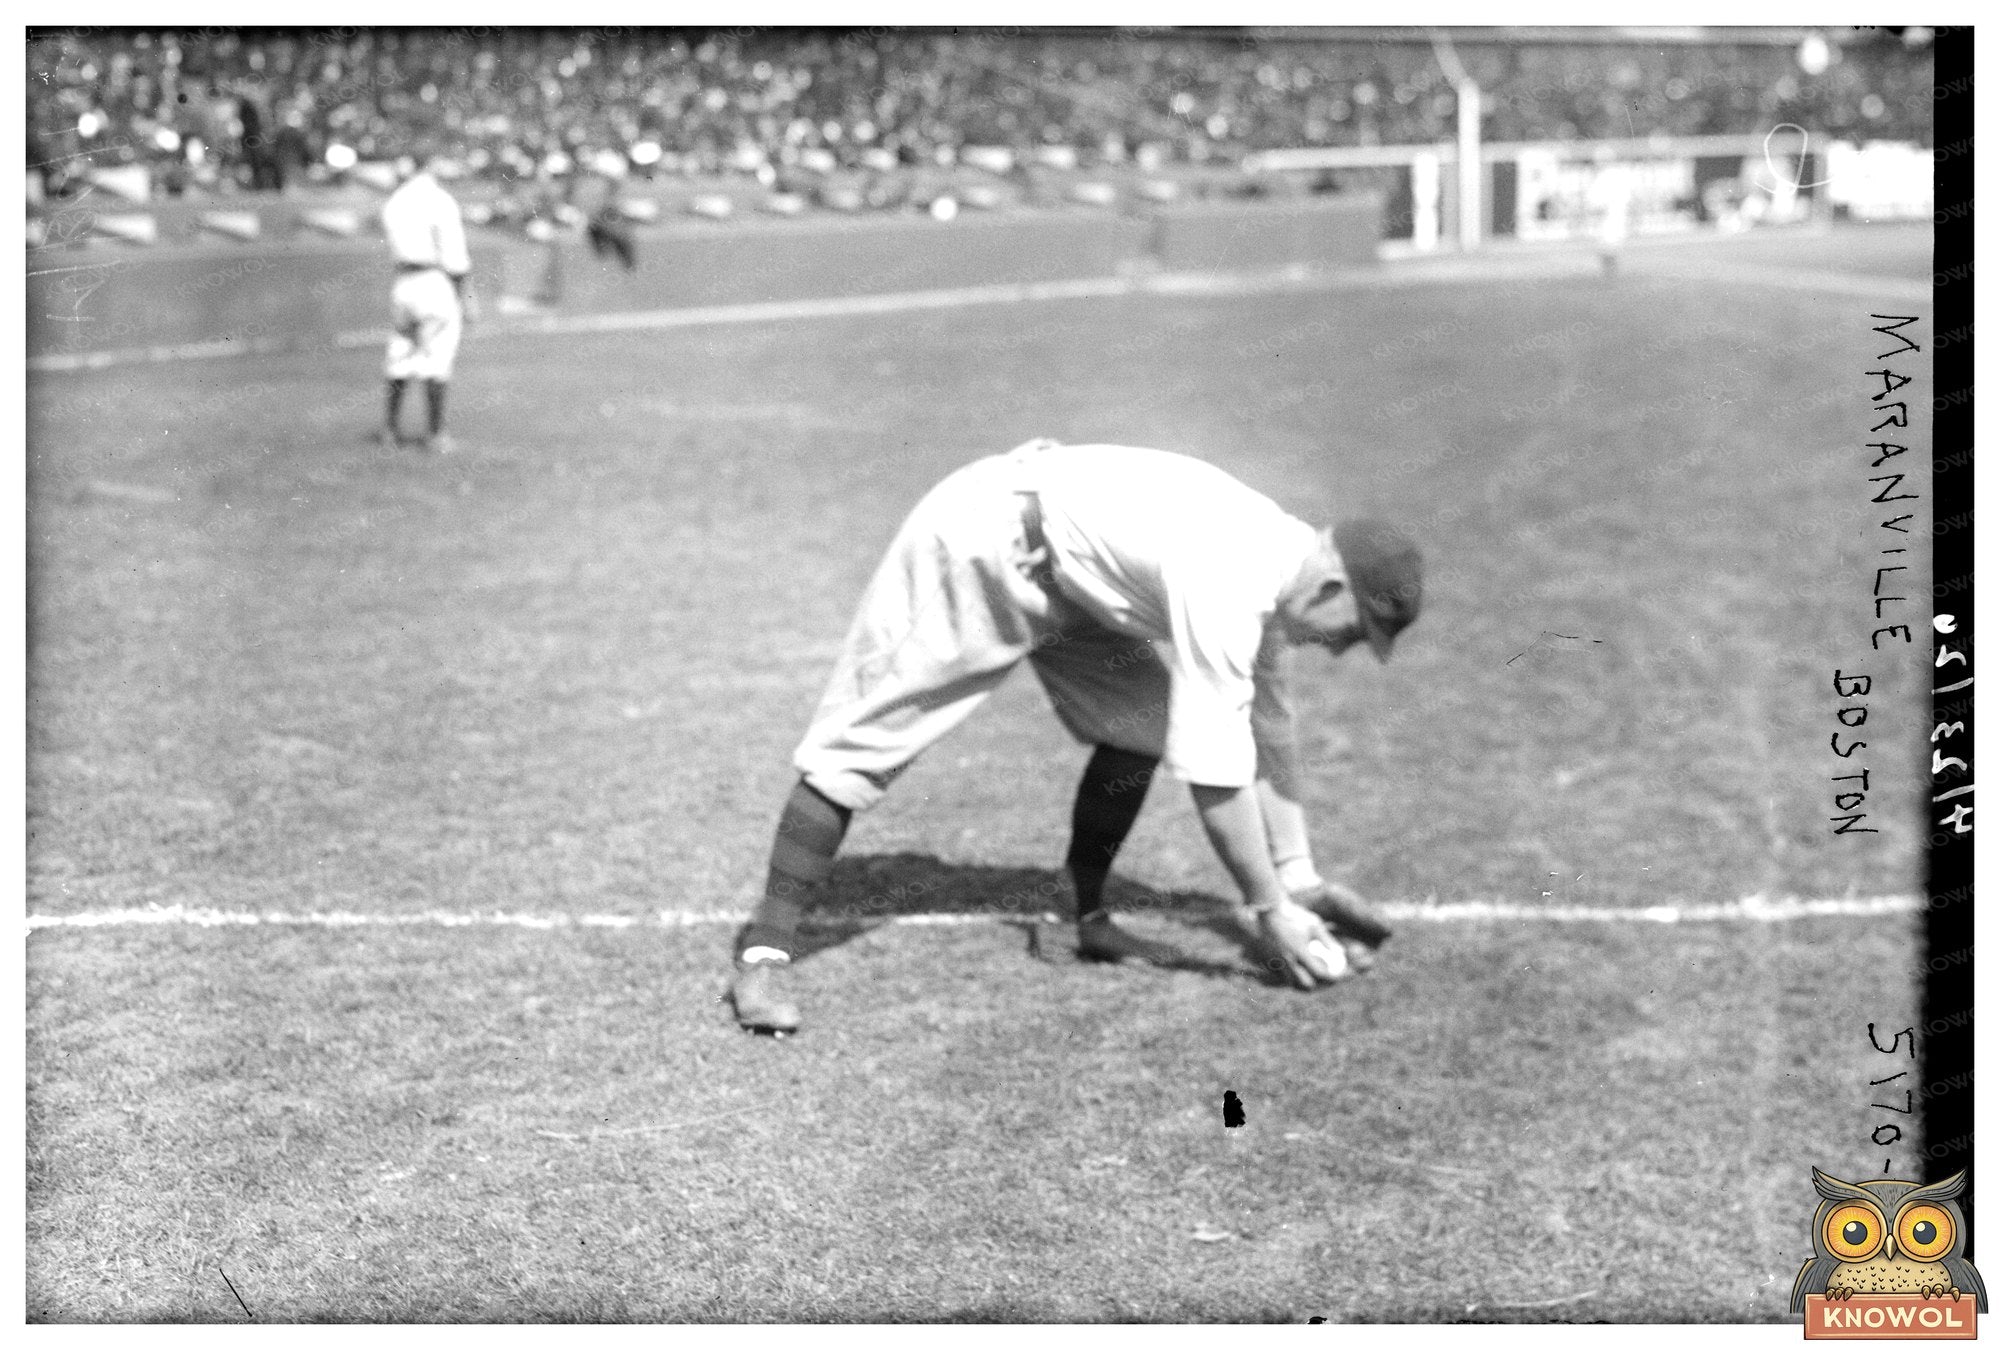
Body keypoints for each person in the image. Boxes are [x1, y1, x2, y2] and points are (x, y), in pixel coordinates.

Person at [728, 439, 1424, 1034]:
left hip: (1071, 577)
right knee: (858, 750)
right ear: (1333, 587)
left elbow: (1266, 728)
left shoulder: (1283, 576)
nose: (1341, 650)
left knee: (1141, 730)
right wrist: (1269, 909)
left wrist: (1299, 877)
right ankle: (761, 958)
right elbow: (1216, 774)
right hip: (984, 540)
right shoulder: (1235, 576)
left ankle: (1079, 916)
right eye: (1354, 633)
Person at [375, 149, 472, 454]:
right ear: (430, 164)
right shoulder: (440, 200)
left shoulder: (395, 200)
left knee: (400, 353)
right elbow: (454, 257)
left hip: (403, 281)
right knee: (437, 355)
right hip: (433, 279)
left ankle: (390, 430)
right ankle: (435, 434)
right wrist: (466, 296)